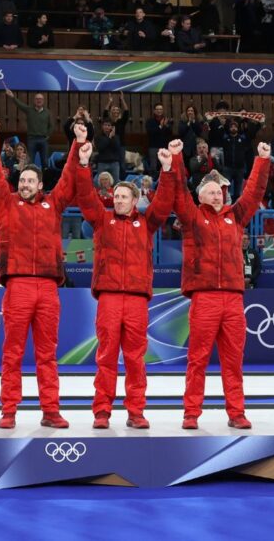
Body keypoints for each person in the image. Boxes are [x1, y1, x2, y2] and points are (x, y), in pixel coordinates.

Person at [0, 119, 83, 429]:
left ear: (40, 185)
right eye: (21, 180)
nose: (24, 184)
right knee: (12, 353)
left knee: (47, 354)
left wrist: (77, 143)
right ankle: (8, 410)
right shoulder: (5, 204)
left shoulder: (53, 205)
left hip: (49, 288)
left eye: (30, 181)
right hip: (18, 285)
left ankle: (50, 410)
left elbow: (69, 178)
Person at [167, 137, 272, 430]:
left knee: (233, 361)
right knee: (197, 359)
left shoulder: (235, 217)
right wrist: (176, 158)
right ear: (200, 196)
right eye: (211, 192)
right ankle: (191, 413)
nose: (217, 196)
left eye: (220, 192)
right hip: (204, 298)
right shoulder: (191, 218)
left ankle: (236, 413)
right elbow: (177, 192)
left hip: (233, 298)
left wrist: (262, 160)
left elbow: (253, 193)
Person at [72, 138, 176, 430]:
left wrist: (167, 170)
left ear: (134, 200)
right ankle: (102, 411)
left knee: (135, 358)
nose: (118, 200)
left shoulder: (147, 223)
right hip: (108, 298)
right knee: (105, 356)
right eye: (116, 197)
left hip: (136, 300)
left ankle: (136, 411)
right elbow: (83, 196)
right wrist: (82, 165)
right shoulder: (102, 220)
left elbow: (165, 202)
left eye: (124, 197)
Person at [4, 89, 55, 171]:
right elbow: (19, 105)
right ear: (34, 100)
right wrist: (12, 97)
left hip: (43, 139)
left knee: (45, 162)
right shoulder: (29, 110)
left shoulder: (47, 112)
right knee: (30, 162)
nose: (39, 100)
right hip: (32, 139)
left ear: (43, 101)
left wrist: (48, 136)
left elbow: (51, 126)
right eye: (37, 99)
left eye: (40, 99)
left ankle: (45, 181)